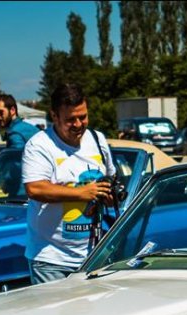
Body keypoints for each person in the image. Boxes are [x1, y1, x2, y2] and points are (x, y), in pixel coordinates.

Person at [22, 82, 117, 283]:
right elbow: (34, 188)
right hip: (51, 258)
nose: (78, 124)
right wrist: (82, 193)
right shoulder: (39, 145)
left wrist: (109, 195)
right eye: (70, 119)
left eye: (83, 117)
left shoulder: (97, 139)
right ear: (54, 116)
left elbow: (111, 178)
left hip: (94, 255)